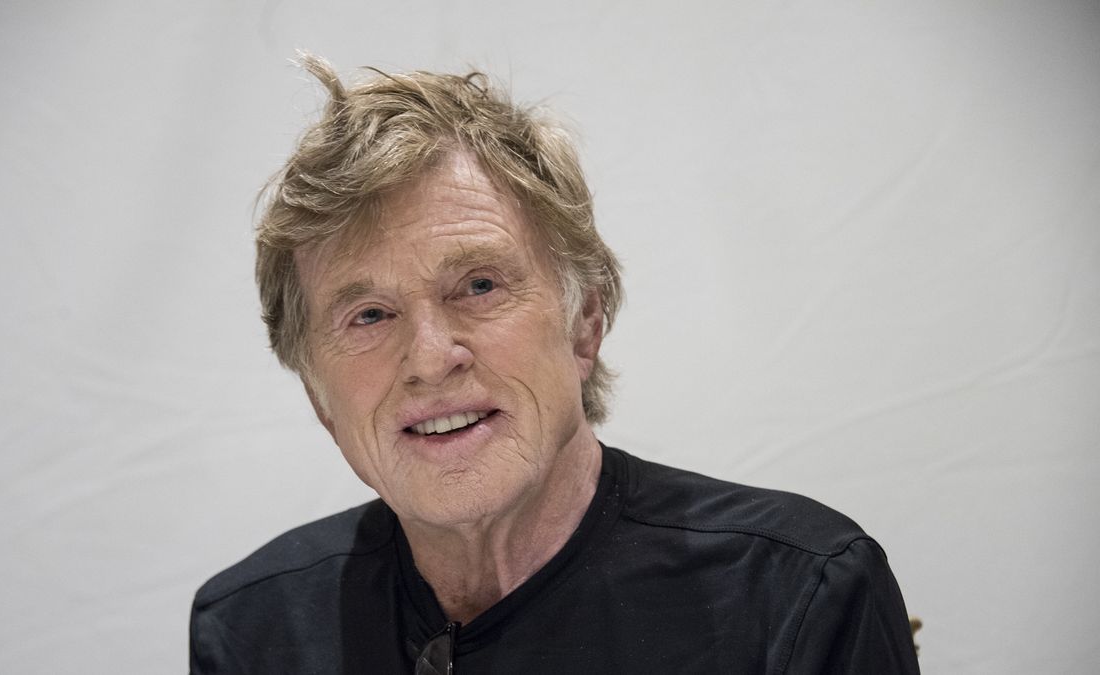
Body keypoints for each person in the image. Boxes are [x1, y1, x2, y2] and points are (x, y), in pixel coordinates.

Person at [189, 56, 920, 674]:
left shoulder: (799, 594)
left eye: (479, 285)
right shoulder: (254, 628)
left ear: (585, 323)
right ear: (319, 393)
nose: (431, 358)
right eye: (369, 315)